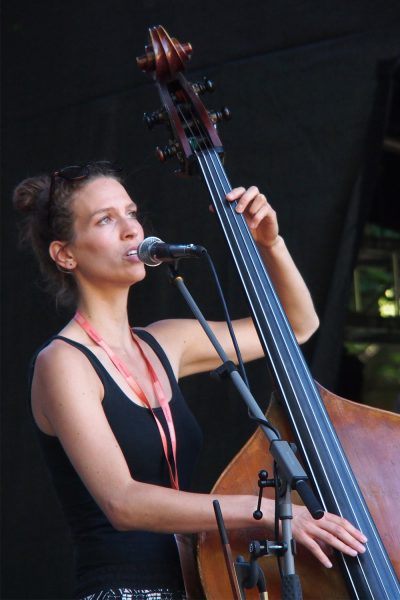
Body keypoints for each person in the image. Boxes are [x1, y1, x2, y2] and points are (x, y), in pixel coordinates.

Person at [13, 161, 367, 600]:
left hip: (198, 584)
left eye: (131, 212)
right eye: (106, 219)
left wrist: (270, 244)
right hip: (125, 591)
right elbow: (123, 502)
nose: (131, 230)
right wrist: (268, 514)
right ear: (65, 254)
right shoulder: (63, 362)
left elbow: (296, 327)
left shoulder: (167, 340)